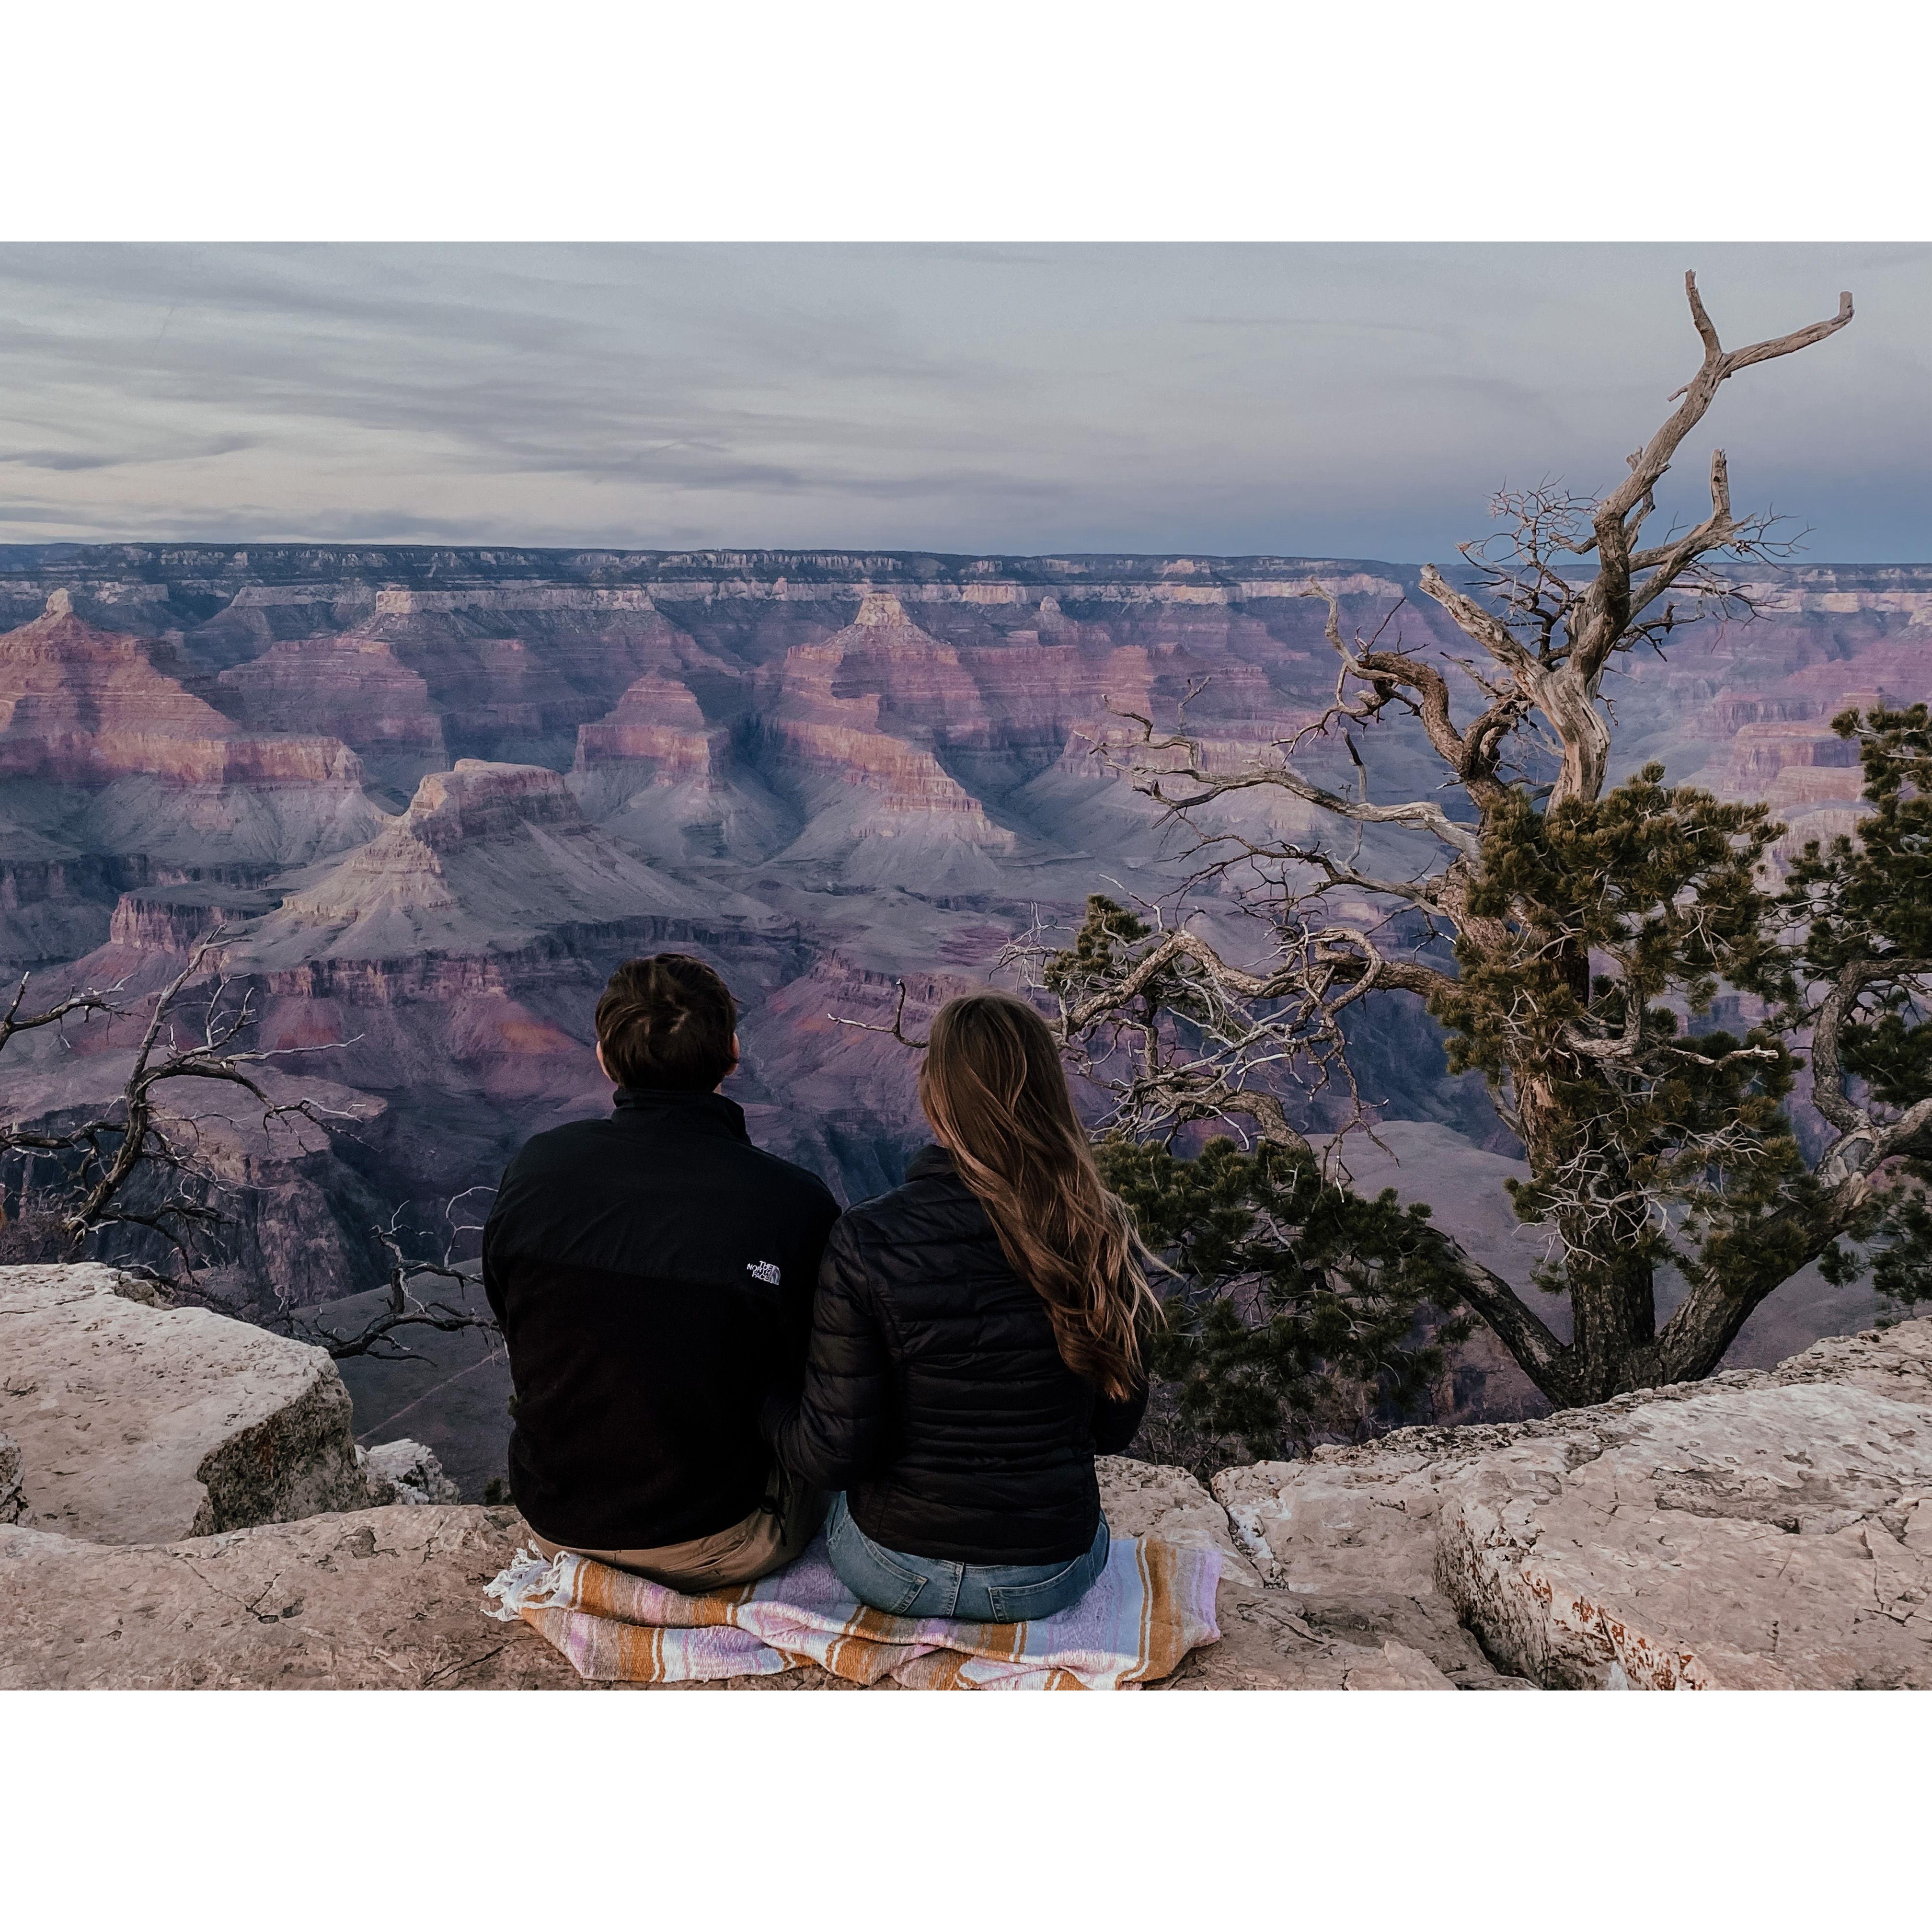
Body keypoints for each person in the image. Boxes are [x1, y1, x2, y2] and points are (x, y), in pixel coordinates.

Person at [764, 989, 1156, 1622]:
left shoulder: (869, 1238)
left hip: (893, 1571)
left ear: (935, 1095)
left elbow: (835, 1454)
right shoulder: (1098, 1233)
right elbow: (1114, 1430)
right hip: (1050, 1571)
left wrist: (765, 1406)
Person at [482, 953, 839, 1591]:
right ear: (732, 1053)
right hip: (721, 1537)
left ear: (603, 1056)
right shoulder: (793, 1203)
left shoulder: (537, 1169)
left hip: (556, 1519)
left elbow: (512, 1316)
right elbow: (819, 1371)